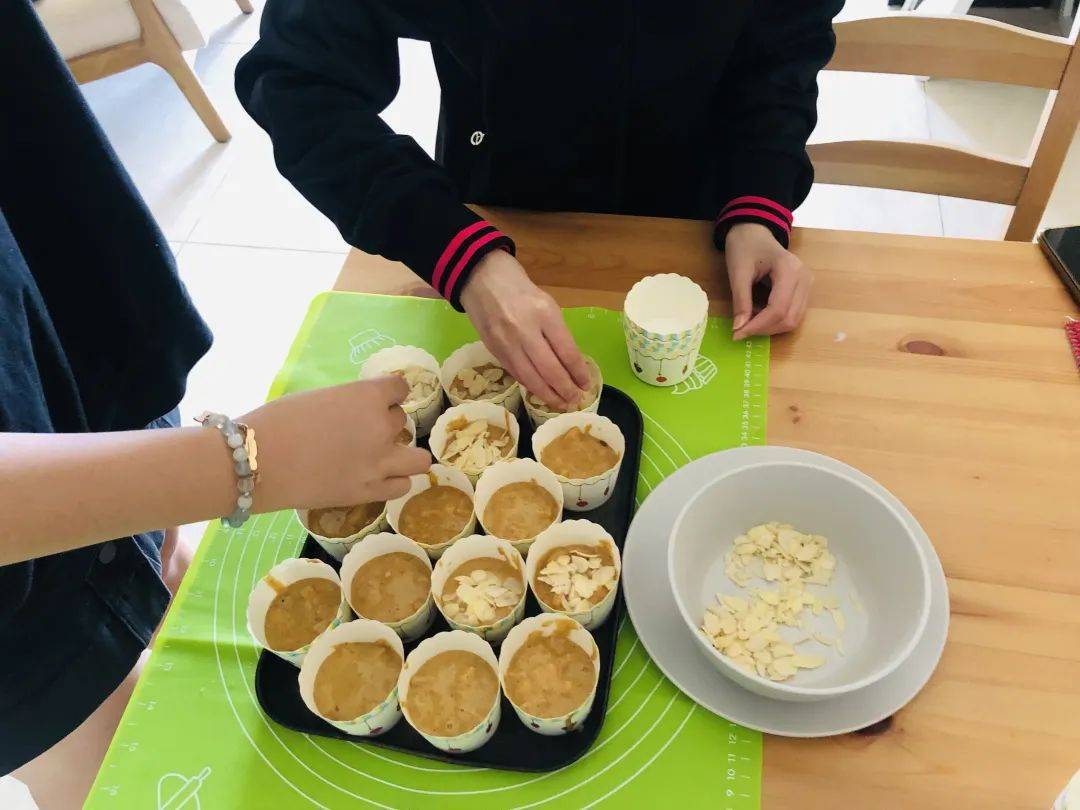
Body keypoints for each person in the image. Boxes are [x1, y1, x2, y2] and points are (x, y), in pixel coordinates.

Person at [0, 3, 430, 807]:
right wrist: (238, 462)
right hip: (24, 619)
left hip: (78, 357)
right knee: (127, 766)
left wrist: (167, 456)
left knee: (179, 613)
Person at [236, 1, 843, 407]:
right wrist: (457, 252)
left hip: (692, 218)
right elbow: (295, 80)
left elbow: (782, 47)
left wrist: (760, 197)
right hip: (496, 214)